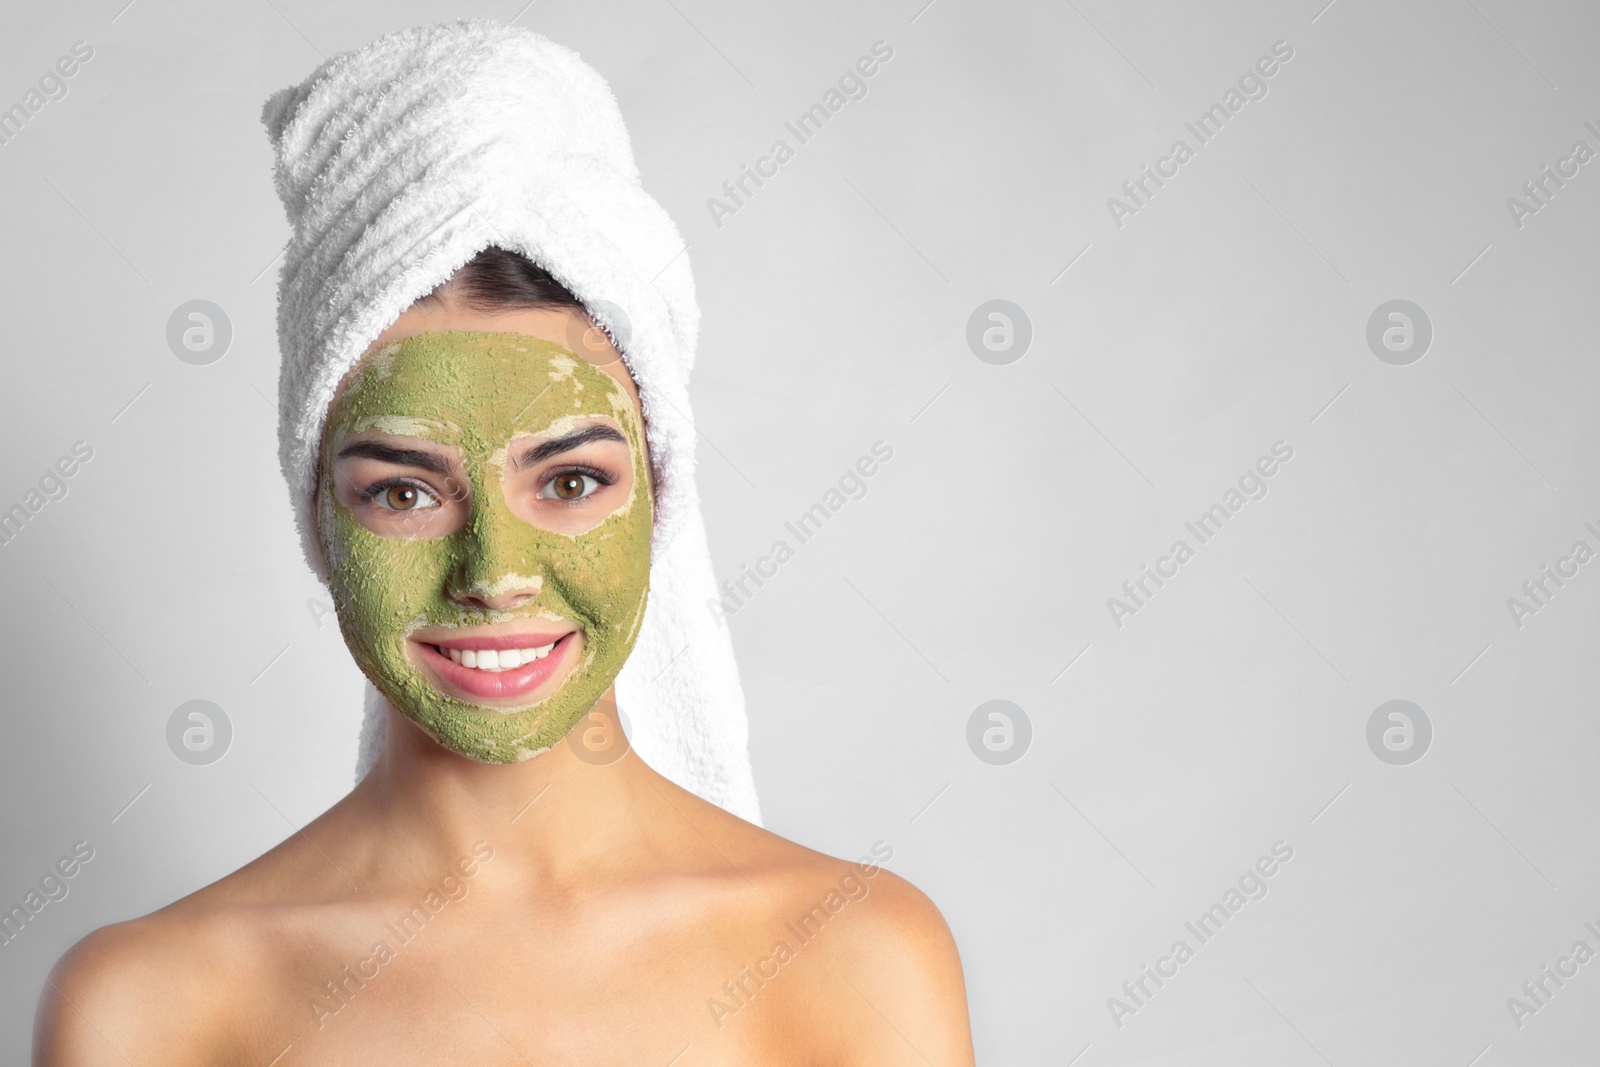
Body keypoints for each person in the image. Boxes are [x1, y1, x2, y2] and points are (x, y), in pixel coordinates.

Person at [34, 20, 975, 1060]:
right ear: (316, 516)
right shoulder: (150, 1005)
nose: (495, 573)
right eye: (403, 492)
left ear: (661, 495)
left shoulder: (851, 957)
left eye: (571, 480)